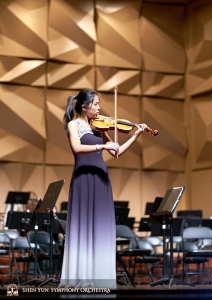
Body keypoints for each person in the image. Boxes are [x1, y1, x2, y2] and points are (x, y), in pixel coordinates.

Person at [59, 89, 147, 288]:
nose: (99, 108)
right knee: (84, 224)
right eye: (96, 104)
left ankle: (99, 276)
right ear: (84, 106)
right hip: (84, 179)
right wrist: (102, 147)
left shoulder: (99, 128)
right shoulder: (74, 125)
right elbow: (77, 148)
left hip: (101, 180)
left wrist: (135, 135)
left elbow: (117, 152)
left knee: (100, 226)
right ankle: (81, 275)